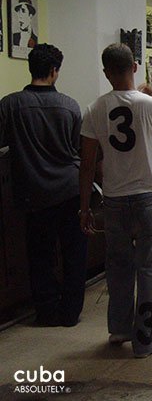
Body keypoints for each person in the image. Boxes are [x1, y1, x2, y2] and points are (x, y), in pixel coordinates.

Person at [79, 43, 152, 358]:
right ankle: (147, 340)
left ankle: (119, 328)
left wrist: (84, 208)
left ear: (106, 72)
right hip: (148, 197)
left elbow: (87, 162)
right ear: (135, 66)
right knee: (149, 269)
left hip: (114, 201)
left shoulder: (94, 109)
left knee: (118, 266)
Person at [0, 43, 87, 327]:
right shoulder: (70, 105)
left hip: (33, 193)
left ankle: (47, 312)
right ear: (54, 71)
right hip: (70, 189)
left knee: (40, 256)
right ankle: (71, 312)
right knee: (73, 253)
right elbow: (78, 149)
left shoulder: (10, 104)